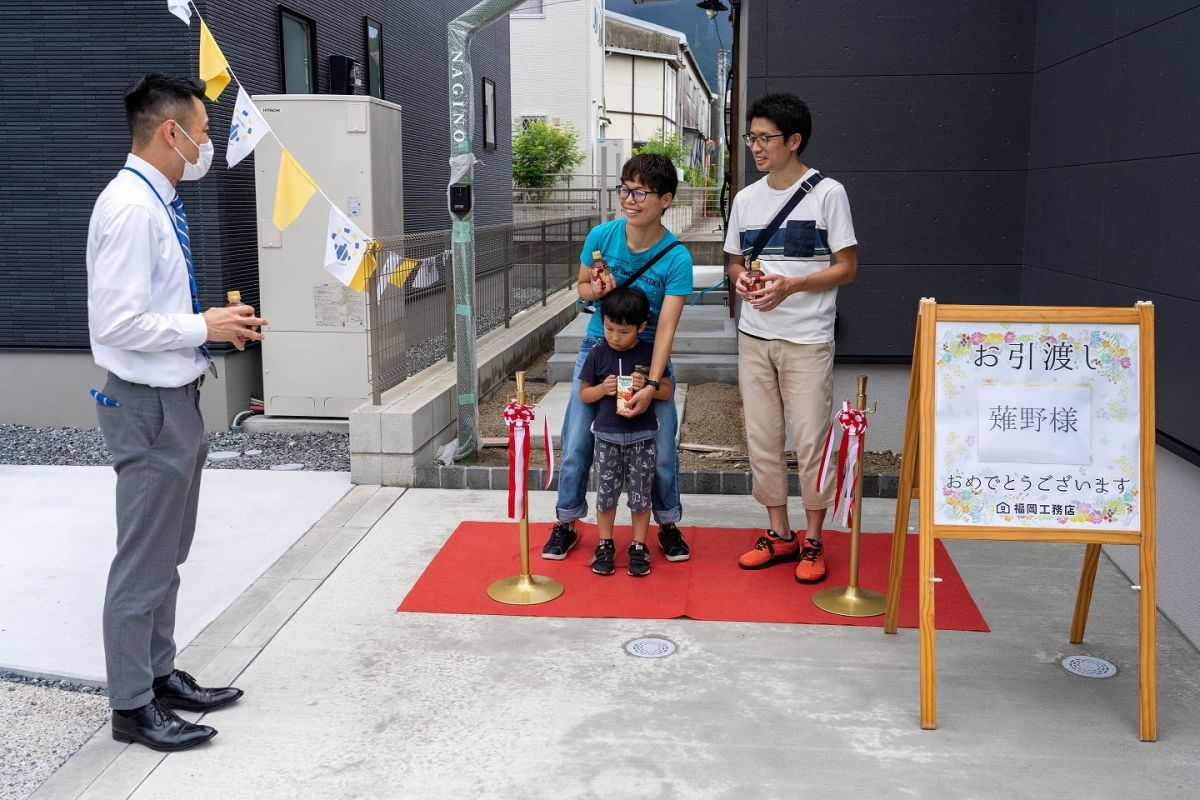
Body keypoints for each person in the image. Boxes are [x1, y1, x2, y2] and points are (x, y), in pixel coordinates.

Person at [87, 73, 268, 751]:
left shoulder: (155, 202)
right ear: (172, 132)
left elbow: (149, 314)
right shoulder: (133, 209)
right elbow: (117, 323)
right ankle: (133, 706)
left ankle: (158, 676)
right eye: (203, 130)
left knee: (167, 554)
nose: (208, 143)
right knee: (144, 561)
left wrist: (214, 328)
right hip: (148, 406)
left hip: (173, 401)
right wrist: (204, 327)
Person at [723, 93, 858, 584]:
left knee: (811, 440)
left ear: (794, 140)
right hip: (754, 335)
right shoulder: (745, 199)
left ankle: (815, 539)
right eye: (752, 137)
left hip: (807, 338)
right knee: (762, 438)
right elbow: (737, 260)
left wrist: (793, 284)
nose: (756, 147)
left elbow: (848, 267)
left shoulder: (828, 193)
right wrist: (740, 279)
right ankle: (780, 534)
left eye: (766, 138)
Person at [540, 153, 694, 564]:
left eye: (639, 191)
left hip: (648, 358)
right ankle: (567, 522)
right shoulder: (601, 237)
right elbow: (582, 289)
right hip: (597, 351)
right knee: (576, 441)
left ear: (665, 199)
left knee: (661, 446)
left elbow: (666, 328)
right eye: (624, 189)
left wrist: (652, 382)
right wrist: (598, 289)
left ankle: (668, 524)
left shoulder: (677, 257)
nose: (629, 199)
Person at [577, 287, 673, 577]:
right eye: (609, 329)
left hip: (642, 438)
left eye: (624, 331)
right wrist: (600, 389)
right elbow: (583, 395)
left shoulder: (649, 355)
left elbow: (666, 391)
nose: (615, 337)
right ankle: (605, 544)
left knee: (641, 496)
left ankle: (639, 545)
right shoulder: (596, 354)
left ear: (642, 327)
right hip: (606, 438)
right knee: (605, 495)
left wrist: (648, 385)